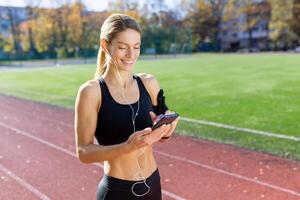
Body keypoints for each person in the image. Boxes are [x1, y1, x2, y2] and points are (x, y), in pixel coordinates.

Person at [74, 13, 179, 200]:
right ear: (106, 45)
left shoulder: (149, 83)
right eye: (123, 47)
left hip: (153, 185)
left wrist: (168, 129)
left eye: (136, 47)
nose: (131, 55)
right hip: (117, 192)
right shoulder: (92, 92)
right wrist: (128, 147)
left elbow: (162, 138)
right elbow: (83, 153)